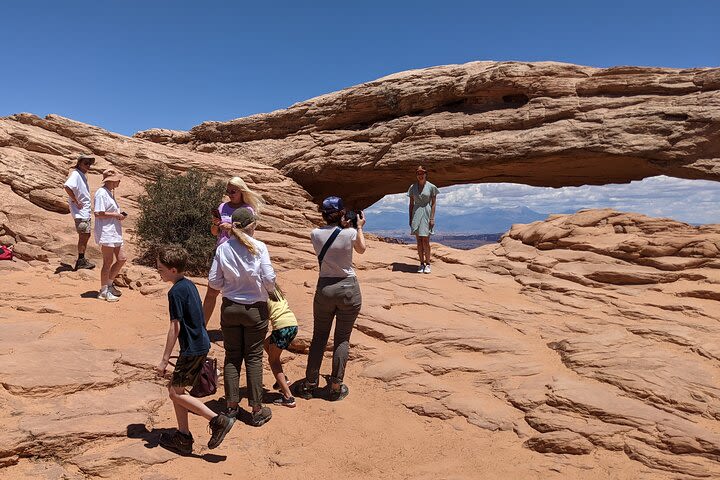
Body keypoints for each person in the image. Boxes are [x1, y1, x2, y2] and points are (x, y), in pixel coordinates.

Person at [155, 245, 235, 455]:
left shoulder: (175, 292)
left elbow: (175, 326)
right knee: (177, 390)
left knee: (174, 392)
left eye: (161, 269)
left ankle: (217, 421)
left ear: (173, 270)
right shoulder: (189, 285)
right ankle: (183, 436)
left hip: (191, 349)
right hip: (200, 344)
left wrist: (164, 359)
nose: (159, 272)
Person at [208, 206, 275, 426]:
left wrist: (232, 285)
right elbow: (268, 277)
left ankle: (231, 407)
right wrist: (269, 291)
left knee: (232, 356)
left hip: (230, 308)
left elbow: (214, 282)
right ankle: (256, 409)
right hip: (255, 309)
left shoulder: (223, 248)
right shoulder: (260, 247)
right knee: (254, 357)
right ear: (252, 225)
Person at [294, 196, 366, 402]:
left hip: (325, 288)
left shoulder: (314, 234)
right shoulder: (351, 233)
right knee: (342, 338)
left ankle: (309, 383)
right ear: (342, 213)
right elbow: (361, 248)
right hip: (348, 289)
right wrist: (359, 226)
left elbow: (330, 235)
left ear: (323, 214)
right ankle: (335, 386)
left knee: (319, 337)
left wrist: (341, 224)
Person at [203, 176, 264, 326]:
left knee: (233, 292)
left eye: (233, 191)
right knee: (211, 291)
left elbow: (249, 234)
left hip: (239, 254)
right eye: (228, 191)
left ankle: (235, 327)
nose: (230, 194)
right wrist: (217, 225)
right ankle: (201, 328)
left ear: (241, 191)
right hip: (222, 252)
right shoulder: (222, 207)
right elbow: (214, 233)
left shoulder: (248, 210)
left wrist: (231, 228)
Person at [94, 168, 127, 302]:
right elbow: (98, 213)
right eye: (118, 180)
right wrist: (116, 215)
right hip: (106, 232)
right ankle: (103, 291)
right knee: (107, 262)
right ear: (111, 181)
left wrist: (118, 216)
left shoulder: (108, 193)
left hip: (114, 231)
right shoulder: (101, 193)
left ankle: (109, 284)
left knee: (122, 258)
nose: (119, 182)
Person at [264, 283, 299, 407]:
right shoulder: (275, 289)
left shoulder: (261, 293)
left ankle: (288, 397)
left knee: (273, 361)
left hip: (281, 327)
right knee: (267, 344)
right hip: (292, 324)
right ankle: (282, 380)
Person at [63, 154, 96, 271]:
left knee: (86, 234)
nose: (88, 166)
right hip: (80, 212)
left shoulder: (81, 175)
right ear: (79, 163)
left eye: (89, 164)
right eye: (86, 163)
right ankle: (80, 261)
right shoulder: (76, 174)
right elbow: (67, 187)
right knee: (84, 235)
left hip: (84, 211)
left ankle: (81, 260)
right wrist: (75, 200)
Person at [408, 166, 439, 274]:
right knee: (419, 240)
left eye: (422, 173)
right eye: (418, 173)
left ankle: (428, 264)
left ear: (425, 174)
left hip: (426, 212)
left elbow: (434, 203)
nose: (420, 175)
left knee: (425, 240)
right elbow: (411, 204)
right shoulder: (413, 187)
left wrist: (432, 217)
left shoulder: (431, 187)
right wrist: (410, 218)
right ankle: (421, 263)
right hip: (416, 212)